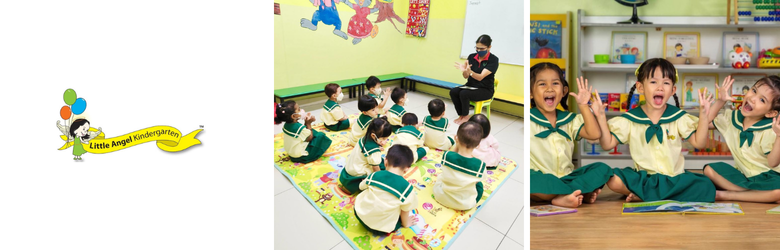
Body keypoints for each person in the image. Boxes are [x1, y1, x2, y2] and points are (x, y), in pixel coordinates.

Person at [598, 58, 716, 202]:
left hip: (674, 178)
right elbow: (607, 144)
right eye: (653, 82)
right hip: (643, 179)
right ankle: (659, 194)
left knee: (705, 185)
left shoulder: (678, 117)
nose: (660, 87)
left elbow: (699, 143)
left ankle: (643, 195)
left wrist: (703, 114)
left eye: (666, 83)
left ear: (673, 90)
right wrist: (601, 117)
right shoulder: (630, 119)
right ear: (640, 87)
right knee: (613, 179)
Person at [528, 63, 611, 208]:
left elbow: (594, 134)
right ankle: (572, 194)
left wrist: (584, 106)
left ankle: (564, 195)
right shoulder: (529, 119)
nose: (549, 88)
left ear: (564, 90)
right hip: (542, 180)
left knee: (602, 169)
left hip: (567, 179)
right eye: (542, 84)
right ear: (530, 92)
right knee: (531, 180)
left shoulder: (570, 119)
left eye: (555, 83)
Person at [702, 75, 780, 203]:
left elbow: (773, 163)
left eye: (762, 100)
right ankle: (760, 195)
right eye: (754, 90)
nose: (752, 99)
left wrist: (779, 137)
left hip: (770, 178)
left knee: (778, 192)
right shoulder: (731, 118)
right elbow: (704, 123)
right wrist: (720, 101)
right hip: (744, 176)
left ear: (770, 113)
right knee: (709, 170)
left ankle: (727, 195)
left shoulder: (772, 129)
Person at [353, 144, 418, 235]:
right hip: (380, 229)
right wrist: (406, 223)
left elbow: (361, 187)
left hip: (360, 215)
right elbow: (405, 210)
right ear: (407, 169)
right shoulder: (407, 189)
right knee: (400, 209)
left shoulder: (375, 175)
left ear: (385, 162)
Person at [433, 121, 487, 210]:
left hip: (441, 196)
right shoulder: (480, 166)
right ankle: (472, 202)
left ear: (456, 138)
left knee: (442, 176)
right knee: (479, 185)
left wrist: (456, 145)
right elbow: (477, 181)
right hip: (464, 205)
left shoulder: (447, 155)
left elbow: (452, 155)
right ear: (478, 145)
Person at [451, 34, 499, 125]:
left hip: (485, 89)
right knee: (453, 91)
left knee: (464, 93)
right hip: (471, 86)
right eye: (477, 48)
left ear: (489, 47)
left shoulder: (493, 60)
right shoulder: (472, 57)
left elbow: (480, 77)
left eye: (481, 49)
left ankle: (465, 116)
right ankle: (461, 115)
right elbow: (465, 76)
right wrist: (465, 71)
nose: (478, 51)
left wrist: (470, 72)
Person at [339, 117, 392, 194]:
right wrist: (380, 179)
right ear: (373, 136)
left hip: (351, 166)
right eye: (383, 138)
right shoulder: (374, 151)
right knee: (382, 167)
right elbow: (375, 168)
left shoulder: (364, 138)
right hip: (358, 171)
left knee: (379, 161)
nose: (385, 141)